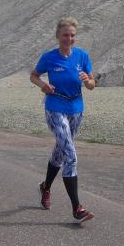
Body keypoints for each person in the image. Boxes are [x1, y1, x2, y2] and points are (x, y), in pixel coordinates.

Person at [30, 17, 96, 223]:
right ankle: (77, 208)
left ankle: (45, 187)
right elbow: (34, 75)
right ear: (58, 36)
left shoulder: (82, 56)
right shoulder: (49, 57)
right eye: (65, 35)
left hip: (76, 109)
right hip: (55, 108)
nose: (69, 38)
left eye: (72, 35)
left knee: (60, 152)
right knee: (70, 154)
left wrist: (88, 81)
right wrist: (43, 85)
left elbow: (92, 84)